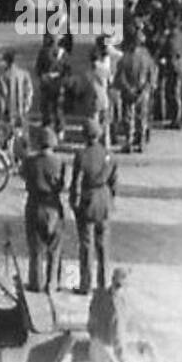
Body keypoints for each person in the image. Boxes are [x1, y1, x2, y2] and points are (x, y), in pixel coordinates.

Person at [70, 118, 118, 295]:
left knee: (86, 245)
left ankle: (85, 284)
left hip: (88, 201)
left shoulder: (81, 155)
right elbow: (114, 182)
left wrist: (74, 203)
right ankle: (104, 283)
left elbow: (76, 183)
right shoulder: (108, 155)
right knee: (103, 245)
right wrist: (111, 200)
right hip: (104, 201)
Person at [21, 127, 66, 293]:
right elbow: (61, 184)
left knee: (36, 248)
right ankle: (52, 283)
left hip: (34, 204)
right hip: (53, 205)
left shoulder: (30, 161)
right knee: (55, 247)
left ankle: (36, 282)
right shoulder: (59, 162)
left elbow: (23, 175)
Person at [86, 267, 134, 362]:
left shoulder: (123, 301)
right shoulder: (100, 297)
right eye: (119, 281)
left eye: (124, 282)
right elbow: (92, 321)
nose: (121, 286)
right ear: (113, 280)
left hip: (116, 344)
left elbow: (121, 327)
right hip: (101, 343)